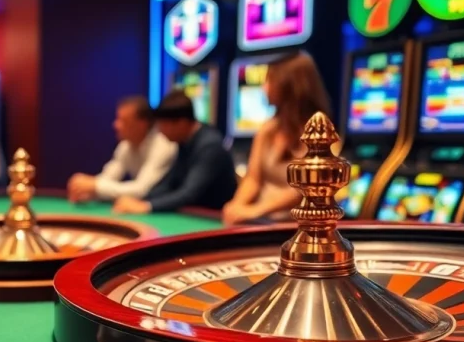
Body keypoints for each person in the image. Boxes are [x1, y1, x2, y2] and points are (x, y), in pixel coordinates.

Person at [221, 52, 332, 225]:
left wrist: (255, 210)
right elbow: (253, 179)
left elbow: (306, 190)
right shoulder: (268, 129)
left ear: (289, 86)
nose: (264, 88)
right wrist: (237, 206)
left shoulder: (320, 131)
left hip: (299, 226)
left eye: (269, 81)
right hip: (262, 221)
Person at [113, 91, 236, 214]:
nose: (160, 131)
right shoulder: (183, 142)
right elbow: (168, 184)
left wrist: (147, 206)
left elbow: (188, 193)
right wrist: (142, 200)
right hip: (193, 214)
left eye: (163, 124)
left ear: (181, 123)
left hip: (215, 220)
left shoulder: (210, 147)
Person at [67, 96, 176, 203]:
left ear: (142, 124)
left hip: (169, 208)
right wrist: (88, 192)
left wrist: (94, 185)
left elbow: (141, 190)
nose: (116, 125)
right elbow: (108, 178)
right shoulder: (125, 146)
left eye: (123, 121)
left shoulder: (163, 146)